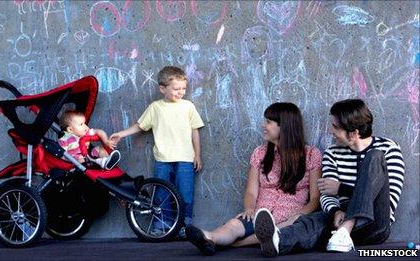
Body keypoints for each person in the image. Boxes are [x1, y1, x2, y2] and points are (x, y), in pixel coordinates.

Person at [254, 98, 405, 256]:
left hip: (373, 223)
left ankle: (345, 230)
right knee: (312, 220)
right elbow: (326, 194)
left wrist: (341, 188)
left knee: (374, 156)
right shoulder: (332, 153)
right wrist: (335, 211)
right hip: (338, 221)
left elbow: (390, 200)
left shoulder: (388, 149)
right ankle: (278, 240)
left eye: (335, 127)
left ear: (353, 133)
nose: (330, 131)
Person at [185, 102, 322, 255]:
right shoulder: (260, 154)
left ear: (284, 126)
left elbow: (315, 198)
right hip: (260, 216)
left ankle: (235, 244)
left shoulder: (311, 155)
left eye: (268, 122)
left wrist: (301, 214)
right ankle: (209, 237)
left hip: (290, 218)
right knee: (234, 224)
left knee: (288, 227)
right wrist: (249, 209)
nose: (264, 126)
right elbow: (251, 191)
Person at [109, 66, 204, 236]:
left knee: (186, 194)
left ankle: (185, 226)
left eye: (183, 88)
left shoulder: (188, 106)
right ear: (162, 88)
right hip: (163, 159)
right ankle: (162, 224)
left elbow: (194, 131)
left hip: (185, 159)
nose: (181, 92)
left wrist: (197, 154)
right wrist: (121, 135)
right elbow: (140, 125)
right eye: (176, 89)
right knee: (161, 194)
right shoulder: (155, 108)